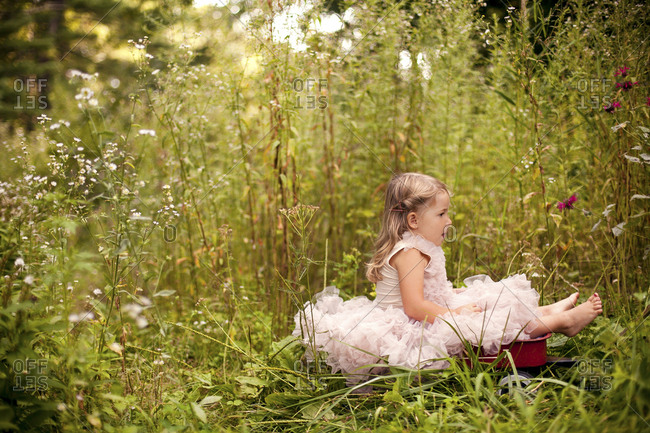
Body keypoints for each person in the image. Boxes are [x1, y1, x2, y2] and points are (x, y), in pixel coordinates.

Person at [292, 172, 603, 385]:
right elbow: (414, 308)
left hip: (429, 312)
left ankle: (549, 312)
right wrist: (455, 313)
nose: (449, 220)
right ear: (413, 220)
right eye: (441, 214)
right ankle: (561, 322)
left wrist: (457, 301)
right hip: (411, 327)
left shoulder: (420, 246)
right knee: (486, 323)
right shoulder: (410, 252)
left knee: (490, 300)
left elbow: (430, 293)